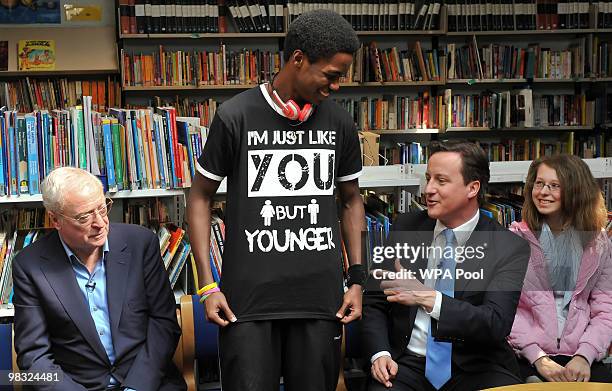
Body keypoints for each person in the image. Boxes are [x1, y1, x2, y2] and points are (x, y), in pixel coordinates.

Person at [186, 9, 366, 391]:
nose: (336, 87)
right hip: (245, 306)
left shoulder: (340, 123)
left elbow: (350, 200)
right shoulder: (235, 116)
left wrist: (357, 280)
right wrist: (207, 285)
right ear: (297, 59)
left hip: (321, 303)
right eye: (331, 76)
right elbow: (199, 197)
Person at [362, 140, 531, 391]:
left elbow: (495, 323)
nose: (428, 189)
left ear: (472, 188)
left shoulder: (507, 246)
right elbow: (374, 300)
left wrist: (429, 298)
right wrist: (380, 354)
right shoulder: (406, 227)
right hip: (407, 364)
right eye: (428, 178)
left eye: (441, 181)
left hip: (476, 366)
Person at [12, 167, 186, 391]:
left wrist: (137, 387)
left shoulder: (140, 243)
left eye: (103, 209)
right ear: (55, 220)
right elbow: (33, 358)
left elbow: (164, 323)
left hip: (146, 381)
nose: (100, 223)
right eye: (84, 217)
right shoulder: (30, 266)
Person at [508, 154, 612, 383]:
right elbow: (508, 309)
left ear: (576, 191)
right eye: (539, 183)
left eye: (555, 186)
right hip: (525, 355)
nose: (543, 192)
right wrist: (537, 357)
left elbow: (606, 310)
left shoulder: (599, 243)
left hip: (581, 356)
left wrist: (585, 355)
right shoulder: (514, 239)